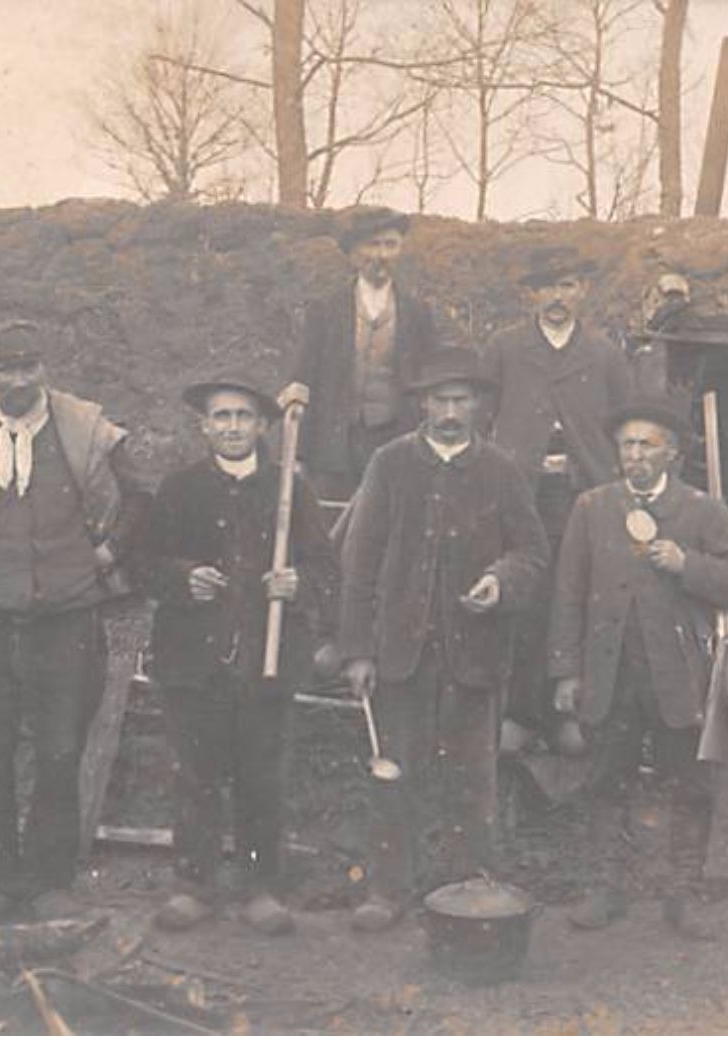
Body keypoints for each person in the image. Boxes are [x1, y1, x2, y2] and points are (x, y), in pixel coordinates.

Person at [0, 320, 150, 917]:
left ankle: (51, 881)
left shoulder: (84, 432)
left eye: (29, 366)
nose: (18, 379)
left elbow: (139, 501)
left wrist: (108, 553)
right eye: (5, 368)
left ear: (44, 367)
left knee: (58, 750)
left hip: (67, 622)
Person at [338, 349, 549, 932]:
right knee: (393, 772)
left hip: (474, 657)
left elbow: (532, 554)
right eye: (440, 400)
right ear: (422, 404)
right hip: (400, 655)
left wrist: (498, 582)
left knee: (471, 781)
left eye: (462, 401)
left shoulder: (502, 471)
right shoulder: (390, 464)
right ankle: (386, 889)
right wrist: (357, 649)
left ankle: (471, 888)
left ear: (478, 406)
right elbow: (359, 562)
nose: (451, 411)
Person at [548, 395, 728, 941]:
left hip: (680, 676)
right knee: (603, 782)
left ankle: (684, 896)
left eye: (646, 444)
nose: (635, 454)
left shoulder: (702, 510)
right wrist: (566, 671)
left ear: (670, 453)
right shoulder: (592, 507)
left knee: (691, 785)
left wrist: (687, 564)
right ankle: (606, 888)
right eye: (627, 444)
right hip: (610, 672)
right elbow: (568, 593)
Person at [137, 373, 337, 936]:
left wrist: (296, 583)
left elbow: (326, 567)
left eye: (243, 417)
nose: (231, 427)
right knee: (195, 776)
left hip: (265, 660)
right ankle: (194, 884)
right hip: (192, 662)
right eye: (221, 417)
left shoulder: (288, 490)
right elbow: (143, 565)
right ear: (204, 427)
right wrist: (181, 578)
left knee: (261, 776)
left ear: (263, 426)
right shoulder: (178, 490)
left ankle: (261, 887)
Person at [481, 246, 632, 752]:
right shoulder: (504, 348)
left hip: (580, 494)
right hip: (520, 493)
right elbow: (482, 419)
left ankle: (569, 713)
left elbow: (624, 425)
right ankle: (521, 714)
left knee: (578, 597)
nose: (557, 298)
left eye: (568, 286)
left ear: (582, 293)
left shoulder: (605, 353)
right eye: (547, 287)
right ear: (532, 295)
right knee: (527, 597)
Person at [288, 205, 438, 501]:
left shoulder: (418, 312)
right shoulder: (325, 310)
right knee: (333, 527)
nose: (381, 255)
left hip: (396, 438)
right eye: (373, 244)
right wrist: (300, 452)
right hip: (335, 446)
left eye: (390, 245)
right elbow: (304, 380)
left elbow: (428, 381)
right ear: (354, 253)